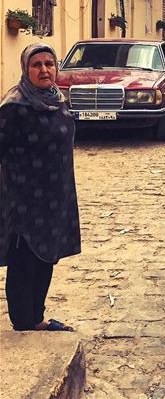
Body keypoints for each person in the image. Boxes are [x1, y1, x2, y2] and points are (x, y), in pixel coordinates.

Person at [0, 44, 81, 332]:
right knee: (25, 258)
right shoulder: (14, 107)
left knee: (47, 255)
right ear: (26, 69)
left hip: (56, 196)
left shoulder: (56, 99)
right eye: (37, 65)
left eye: (49, 63)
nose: (44, 70)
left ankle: (37, 317)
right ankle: (24, 320)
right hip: (24, 199)